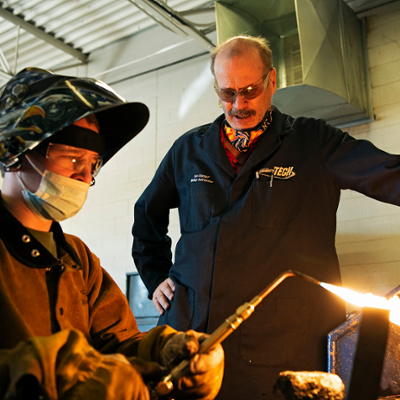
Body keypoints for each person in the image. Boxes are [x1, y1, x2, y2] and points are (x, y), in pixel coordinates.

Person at [132, 34, 400, 399]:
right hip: (190, 338)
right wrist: (155, 273)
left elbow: (387, 174)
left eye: (250, 90)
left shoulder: (312, 142)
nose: (238, 104)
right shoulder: (189, 150)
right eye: (227, 93)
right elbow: (147, 214)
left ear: (272, 81)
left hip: (281, 348)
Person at [0, 67, 224, 400]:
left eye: (93, 163)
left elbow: (119, 344)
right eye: (73, 157)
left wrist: (165, 352)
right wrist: (49, 370)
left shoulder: (78, 261)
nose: (84, 174)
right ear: (15, 153)